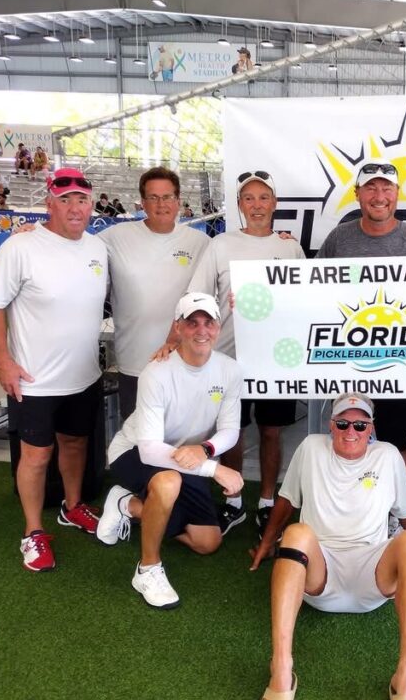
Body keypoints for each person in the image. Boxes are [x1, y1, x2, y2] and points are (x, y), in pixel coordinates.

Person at [250, 392, 406, 700]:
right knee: (296, 533)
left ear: (371, 429)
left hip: (373, 574)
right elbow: (286, 501)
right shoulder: (310, 448)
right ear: (330, 425)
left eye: (360, 424)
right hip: (319, 574)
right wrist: (266, 542)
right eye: (342, 423)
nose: (350, 431)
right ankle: (281, 668)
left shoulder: (388, 455)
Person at [0, 167, 108, 572]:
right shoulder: (21, 248)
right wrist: (4, 361)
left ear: (92, 205)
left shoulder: (97, 248)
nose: (75, 207)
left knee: (75, 444)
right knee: (36, 456)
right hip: (34, 380)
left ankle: (73, 507)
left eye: (82, 199)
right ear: (49, 203)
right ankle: (33, 532)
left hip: (83, 374)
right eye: (65, 199)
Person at [97, 292, 244, 609]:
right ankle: (147, 569)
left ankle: (128, 504)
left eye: (208, 322)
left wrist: (206, 449)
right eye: (192, 322)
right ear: (177, 327)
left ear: (218, 328)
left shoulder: (229, 370)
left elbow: (231, 429)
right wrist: (214, 468)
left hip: (185, 458)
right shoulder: (157, 372)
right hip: (133, 451)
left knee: (208, 542)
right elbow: (150, 450)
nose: (201, 330)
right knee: (168, 482)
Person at [188, 170, 305, 539]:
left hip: (276, 360)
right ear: (239, 205)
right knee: (231, 431)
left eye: (263, 198)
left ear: (275, 204)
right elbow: (200, 299)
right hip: (228, 359)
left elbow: (306, 302)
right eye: (249, 199)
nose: (257, 205)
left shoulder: (290, 247)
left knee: (272, 430)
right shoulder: (220, 244)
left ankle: (267, 501)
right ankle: (234, 498)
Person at [316, 160, 406, 474]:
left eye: (386, 187)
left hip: (401, 362)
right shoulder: (338, 240)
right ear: (357, 194)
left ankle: (398, 514)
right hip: (347, 360)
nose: (379, 195)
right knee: (347, 437)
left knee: (398, 446)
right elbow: (307, 291)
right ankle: (348, 506)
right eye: (371, 187)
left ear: (397, 194)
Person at [98, 166, 210, 420]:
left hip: (187, 363)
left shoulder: (200, 243)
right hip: (136, 365)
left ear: (178, 201)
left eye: (168, 197)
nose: (161, 204)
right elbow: (74, 246)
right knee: (139, 447)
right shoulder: (114, 238)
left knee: (183, 446)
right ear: (142, 202)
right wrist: (35, 231)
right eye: (153, 197)